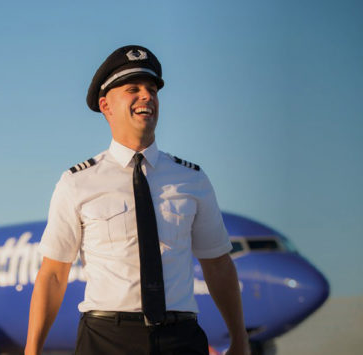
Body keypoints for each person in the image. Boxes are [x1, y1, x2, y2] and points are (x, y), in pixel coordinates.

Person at [25, 45, 249, 355]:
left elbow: (219, 265)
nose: (146, 96)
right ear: (106, 106)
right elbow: (53, 274)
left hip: (180, 338)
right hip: (105, 340)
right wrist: (32, 349)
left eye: (152, 90)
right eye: (133, 89)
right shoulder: (77, 183)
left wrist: (240, 338)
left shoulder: (193, 180)